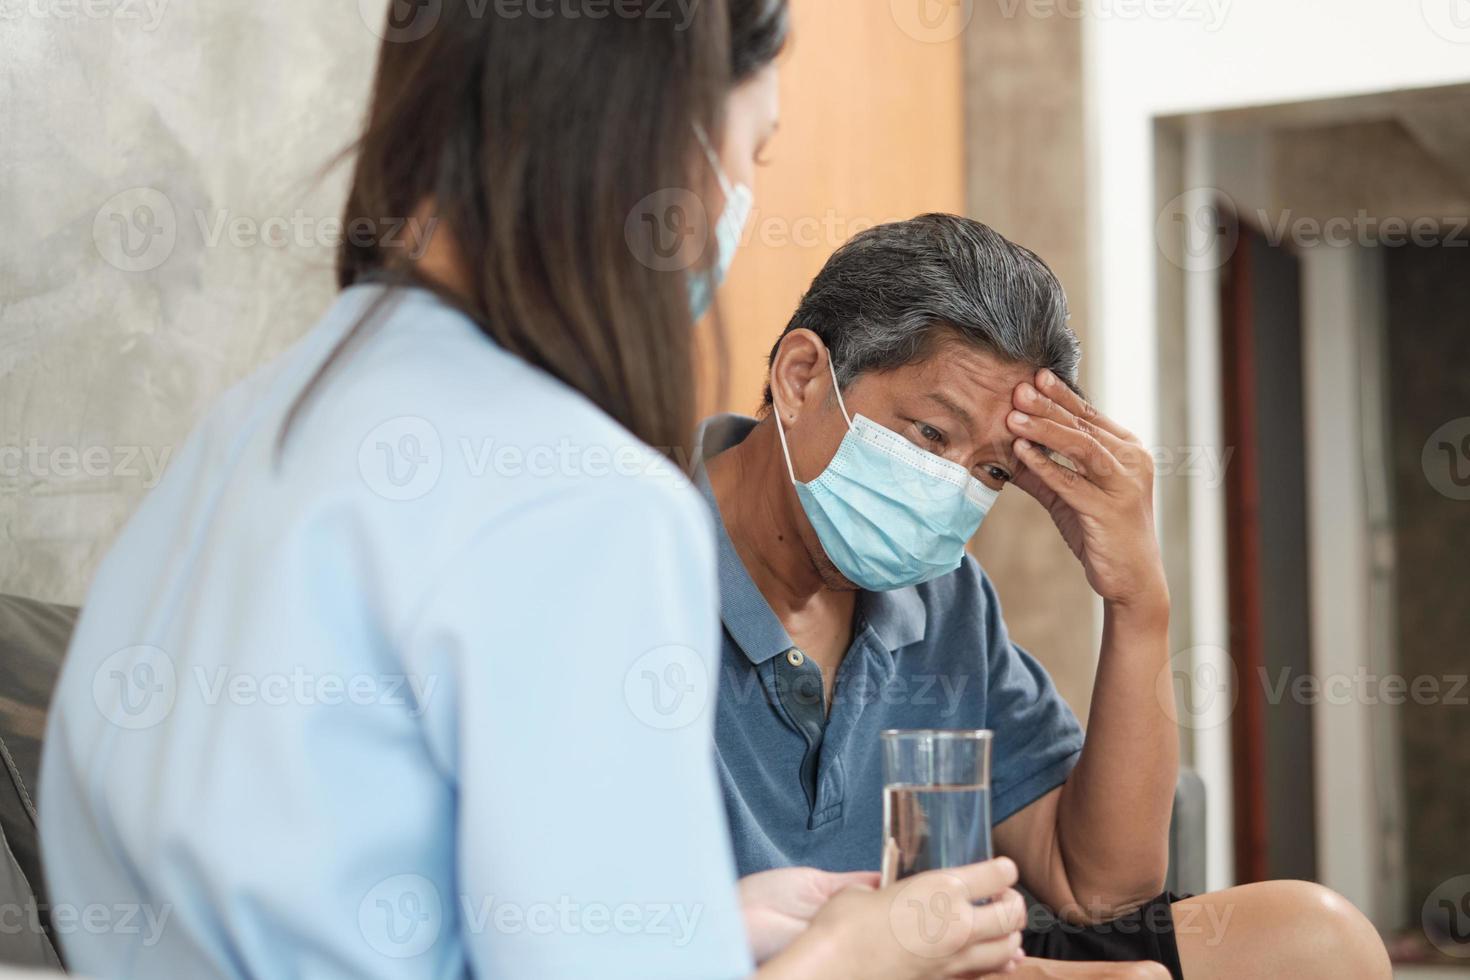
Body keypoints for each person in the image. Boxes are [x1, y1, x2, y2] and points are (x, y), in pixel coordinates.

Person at [38, 6, 1029, 979]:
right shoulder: (583, 502)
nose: (738, 196)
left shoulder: (253, 425)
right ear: (661, 136)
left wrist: (702, 928)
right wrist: (860, 957)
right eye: (752, 151)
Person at [697, 214, 1396, 979]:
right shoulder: (637, 562)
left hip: (949, 956)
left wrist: (1136, 602)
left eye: (993, 471)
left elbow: (1098, 888)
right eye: (933, 435)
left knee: (1317, 943)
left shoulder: (945, 597)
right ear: (801, 378)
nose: (952, 487)